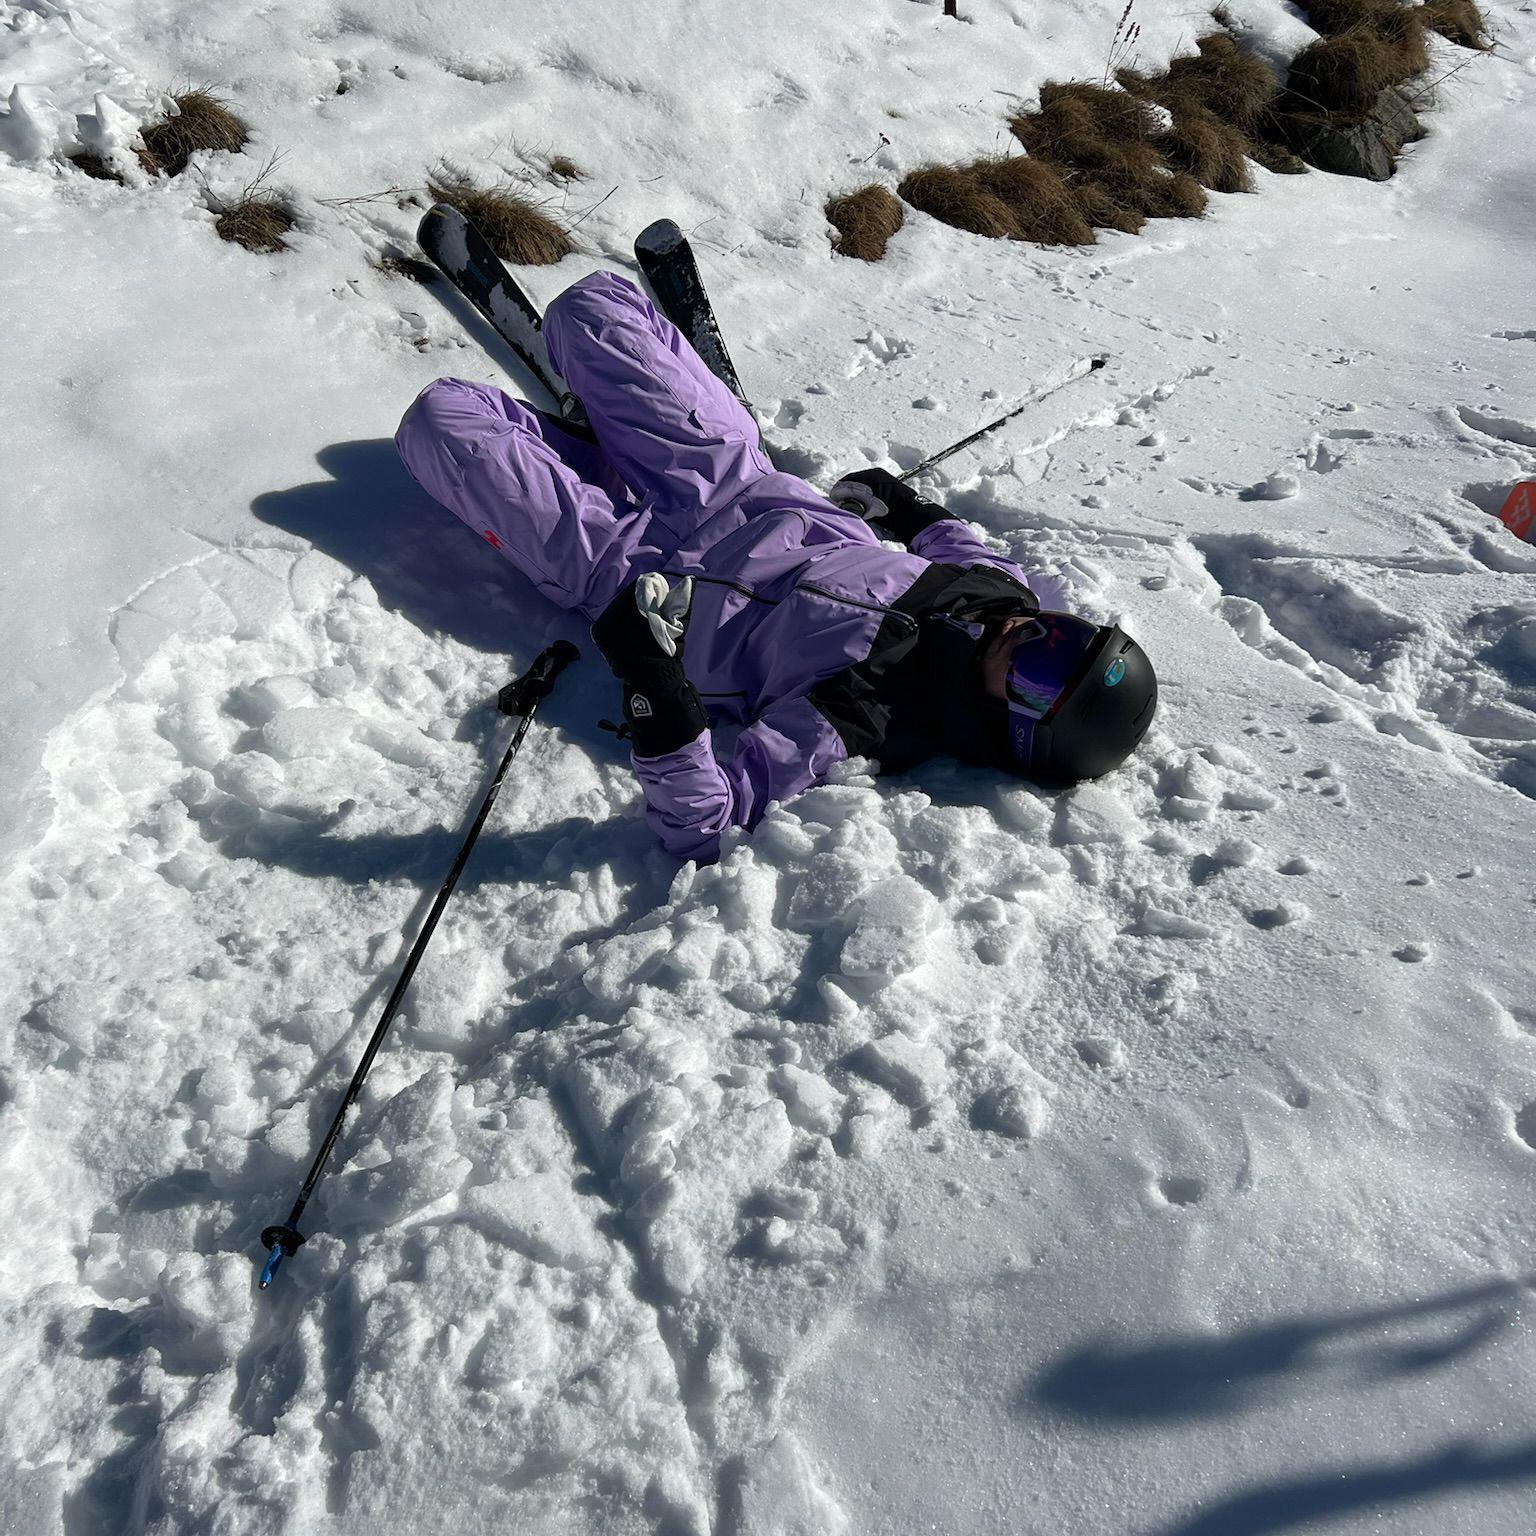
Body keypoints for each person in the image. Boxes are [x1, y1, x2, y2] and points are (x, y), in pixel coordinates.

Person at [396, 271, 1157, 862]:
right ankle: (609, 446)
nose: (1029, 633)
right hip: (731, 481)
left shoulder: (868, 718)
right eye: (1063, 631)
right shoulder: (1000, 598)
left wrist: (656, 687)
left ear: (1016, 729)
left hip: (636, 574)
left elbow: (706, 825)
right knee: (588, 307)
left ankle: (592, 457)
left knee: (441, 419)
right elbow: (965, 545)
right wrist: (908, 511)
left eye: (1044, 670)